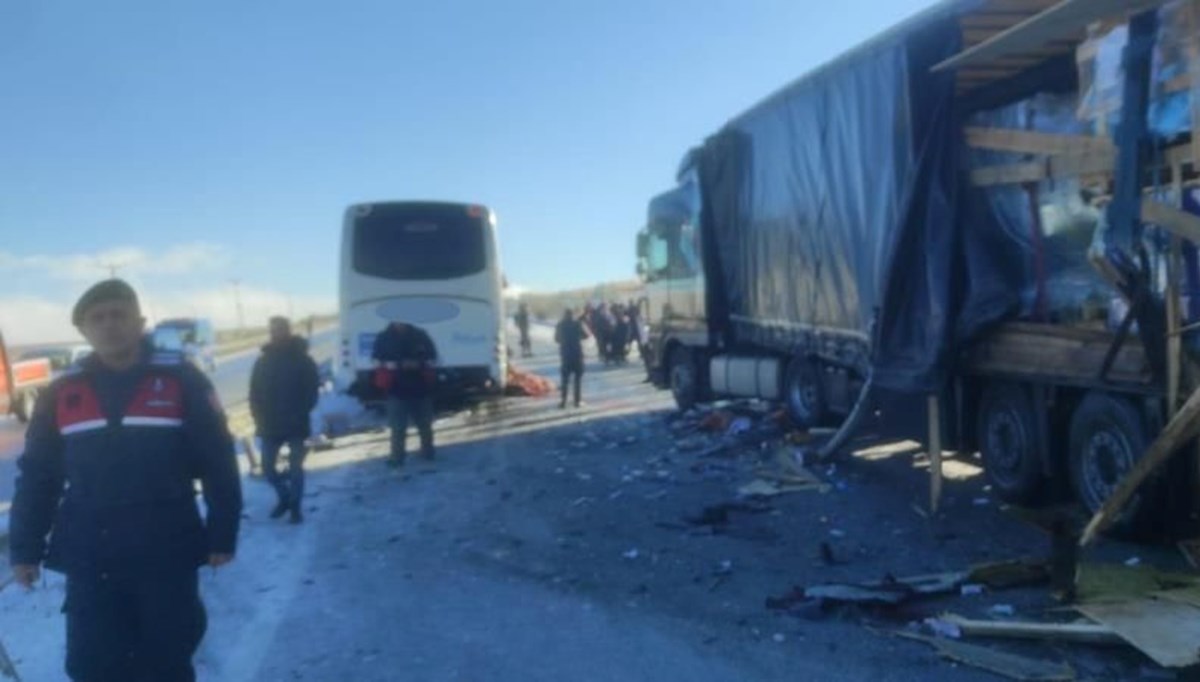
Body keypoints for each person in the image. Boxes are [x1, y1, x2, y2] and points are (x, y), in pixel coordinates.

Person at [9, 279, 242, 682]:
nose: (109, 324)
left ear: (140, 321)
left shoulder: (181, 380)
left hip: (165, 549)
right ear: (83, 330)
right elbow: (38, 475)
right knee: (92, 665)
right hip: (91, 554)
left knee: (166, 660)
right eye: (97, 318)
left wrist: (223, 533)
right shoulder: (62, 392)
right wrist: (24, 547)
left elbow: (218, 461)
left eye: (119, 314)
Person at [249, 316, 320, 524]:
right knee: (268, 469)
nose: (276, 334)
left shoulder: (302, 359)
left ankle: (296, 507)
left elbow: (312, 391)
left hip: (295, 423)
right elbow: (254, 393)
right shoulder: (263, 361)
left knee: (296, 468)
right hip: (269, 424)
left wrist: (301, 411)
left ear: (287, 331)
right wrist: (257, 415)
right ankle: (285, 497)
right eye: (272, 330)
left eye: (279, 330)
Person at [371, 320, 439, 466]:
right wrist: (397, 365)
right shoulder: (384, 337)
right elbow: (376, 360)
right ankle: (397, 458)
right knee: (397, 427)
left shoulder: (421, 335)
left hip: (420, 387)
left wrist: (418, 363)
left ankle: (428, 453)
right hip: (396, 388)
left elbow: (433, 358)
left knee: (425, 424)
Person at [555, 308, 589, 408]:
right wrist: (577, 337)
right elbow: (586, 335)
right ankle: (577, 401)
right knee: (577, 378)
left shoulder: (560, 325)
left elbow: (556, 339)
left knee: (565, 378)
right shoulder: (578, 323)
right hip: (577, 353)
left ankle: (563, 401)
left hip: (565, 353)